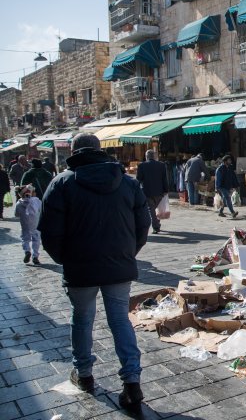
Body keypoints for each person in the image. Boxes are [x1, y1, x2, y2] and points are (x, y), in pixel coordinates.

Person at [38, 133, 150, 413]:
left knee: (82, 319)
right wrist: (127, 254)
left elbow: (49, 233)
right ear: (100, 150)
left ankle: (84, 374)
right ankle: (132, 383)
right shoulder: (127, 183)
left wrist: (66, 259)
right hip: (118, 266)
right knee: (120, 321)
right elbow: (142, 226)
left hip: (80, 267)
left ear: (74, 151)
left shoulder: (61, 184)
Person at [136, 149, 169, 234]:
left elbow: (138, 179)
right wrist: (166, 190)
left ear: (146, 156)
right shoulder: (161, 165)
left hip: (147, 191)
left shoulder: (141, 166)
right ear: (154, 156)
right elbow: (164, 179)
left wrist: (136, 190)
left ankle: (156, 227)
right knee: (153, 209)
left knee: (151, 210)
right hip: (159, 192)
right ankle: (156, 224)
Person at [15, 184, 42, 265]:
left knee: (25, 239)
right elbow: (41, 210)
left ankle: (27, 251)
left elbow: (16, 214)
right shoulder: (37, 201)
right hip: (35, 224)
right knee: (36, 239)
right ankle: (35, 256)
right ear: (31, 193)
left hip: (25, 225)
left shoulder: (19, 203)